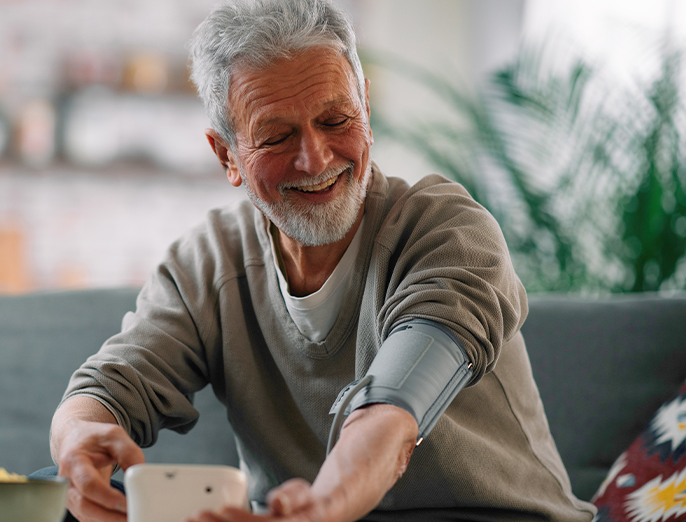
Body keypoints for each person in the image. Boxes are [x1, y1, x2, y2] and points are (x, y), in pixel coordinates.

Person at [48, 0, 597, 520]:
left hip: (483, 517)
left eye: (336, 121)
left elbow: (392, 413)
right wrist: (77, 442)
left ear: (366, 110)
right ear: (227, 156)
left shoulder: (447, 231)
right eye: (277, 136)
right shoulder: (207, 262)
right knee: (51, 494)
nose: (315, 157)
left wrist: (325, 507)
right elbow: (108, 388)